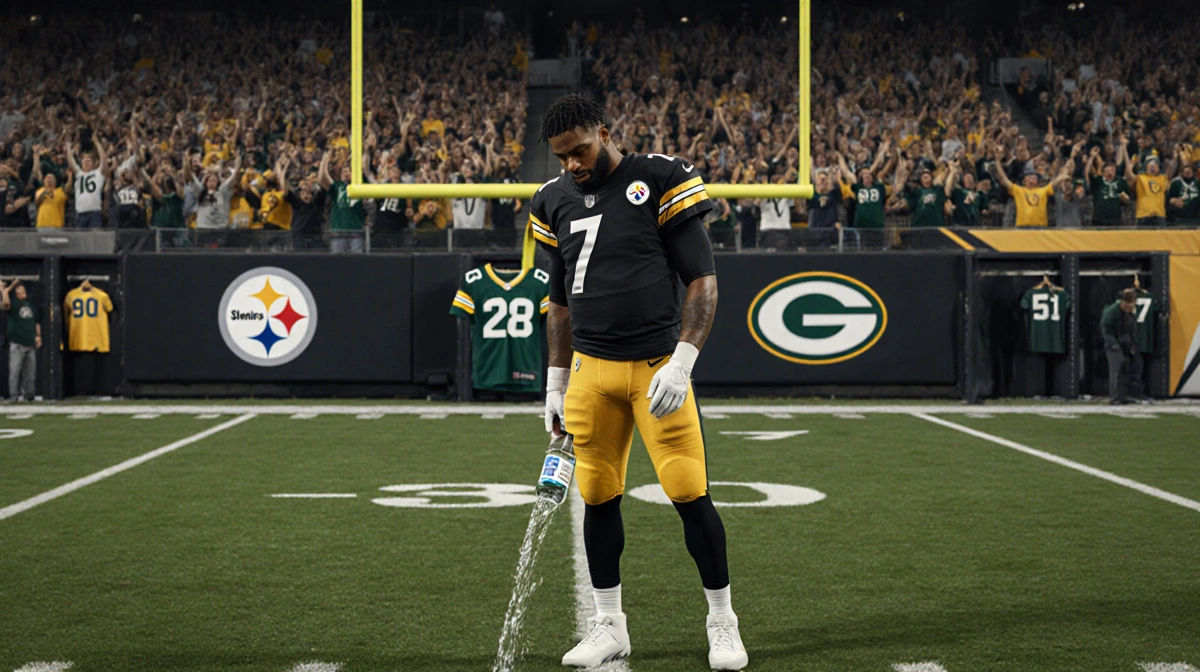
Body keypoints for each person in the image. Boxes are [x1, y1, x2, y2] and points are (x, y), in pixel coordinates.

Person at [530, 94, 747, 671]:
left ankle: (722, 623)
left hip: (656, 369)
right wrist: (554, 382)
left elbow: (702, 280)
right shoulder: (552, 199)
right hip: (590, 373)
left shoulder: (658, 177)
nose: (572, 165)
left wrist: (682, 360)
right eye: (562, 157)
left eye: (580, 150)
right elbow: (557, 303)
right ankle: (610, 627)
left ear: (604, 131)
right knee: (598, 497)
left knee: (689, 493)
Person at [2, 280, 40, 402]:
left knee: (30, 372)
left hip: (30, 343)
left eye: (24, 291)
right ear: (16, 293)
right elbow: (5, 303)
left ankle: (30, 394)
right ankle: (14, 395)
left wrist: (38, 336)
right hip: (17, 343)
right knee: (15, 370)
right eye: (20, 291)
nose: (23, 293)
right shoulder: (13, 303)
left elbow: (36, 322)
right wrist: (8, 288)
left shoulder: (29, 305)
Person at [1100, 289, 1140, 405]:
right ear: (1126, 302)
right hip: (1113, 345)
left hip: (1124, 345)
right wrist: (1113, 344)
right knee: (1116, 370)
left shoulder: (1129, 312)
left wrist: (1132, 344)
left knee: (1124, 370)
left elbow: (1132, 330)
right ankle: (1114, 397)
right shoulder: (1113, 311)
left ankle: (1122, 396)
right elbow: (1105, 328)